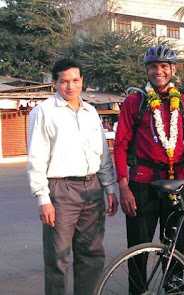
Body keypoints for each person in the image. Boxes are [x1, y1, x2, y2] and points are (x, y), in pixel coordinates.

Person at [114, 45, 184, 294]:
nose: (159, 71)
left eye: (164, 66)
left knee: (174, 247)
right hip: (142, 184)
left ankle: (173, 290)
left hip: (176, 183)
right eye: (153, 66)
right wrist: (123, 186)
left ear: (173, 69)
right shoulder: (135, 102)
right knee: (138, 250)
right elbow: (120, 144)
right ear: (147, 70)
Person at [27, 58, 118, 295]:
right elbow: (36, 157)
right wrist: (42, 198)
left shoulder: (90, 112)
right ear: (55, 83)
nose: (70, 86)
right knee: (58, 258)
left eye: (75, 80)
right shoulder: (44, 112)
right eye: (64, 81)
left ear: (82, 81)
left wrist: (109, 188)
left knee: (92, 255)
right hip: (61, 190)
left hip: (93, 188)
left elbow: (102, 154)